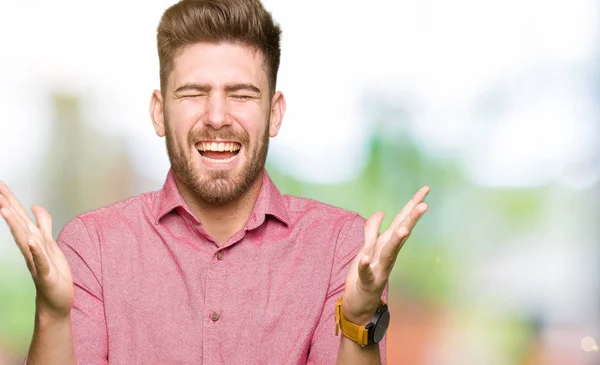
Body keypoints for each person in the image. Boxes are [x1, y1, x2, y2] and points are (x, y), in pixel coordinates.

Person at [0, 0, 429, 364]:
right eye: (192, 93)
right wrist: (53, 316)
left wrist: (357, 319)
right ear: (158, 112)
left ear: (274, 113)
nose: (218, 117)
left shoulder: (342, 247)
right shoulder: (91, 246)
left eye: (241, 94)